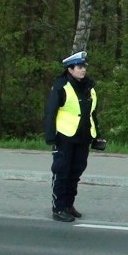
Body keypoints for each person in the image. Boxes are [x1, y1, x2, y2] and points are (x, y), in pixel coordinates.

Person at [44, 51, 101, 222]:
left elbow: (92, 113)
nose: (83, 70)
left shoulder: (89, 87)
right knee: (62, 172)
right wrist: (50, 137)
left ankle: (69, 204)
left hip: (83, 137)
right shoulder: (61, 86)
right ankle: (59, 208)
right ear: (70, 69)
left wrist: (97, 135)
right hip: (64, 137)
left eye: (84, 67)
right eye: (79, 67)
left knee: (76, 172)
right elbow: (50, 112)